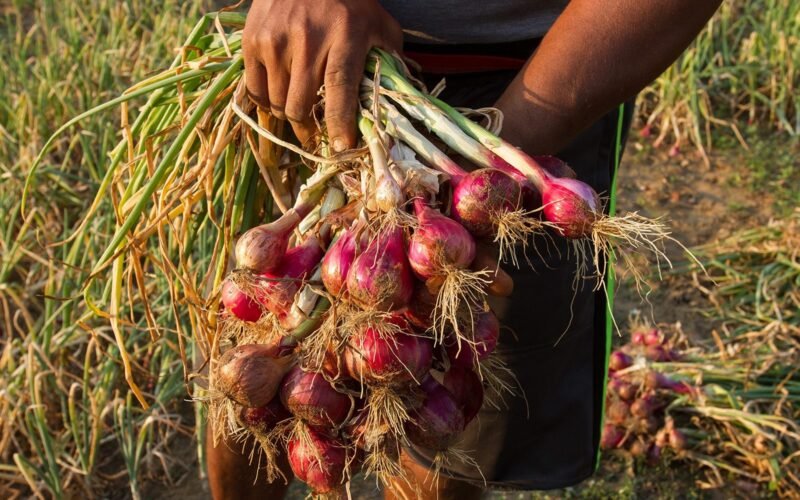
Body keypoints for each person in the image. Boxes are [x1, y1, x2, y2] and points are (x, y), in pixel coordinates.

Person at [207, 1, 722, 498]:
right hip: (290, 47)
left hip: (550, 67)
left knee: (456, 399)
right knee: (248, 351)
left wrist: (477, 183)